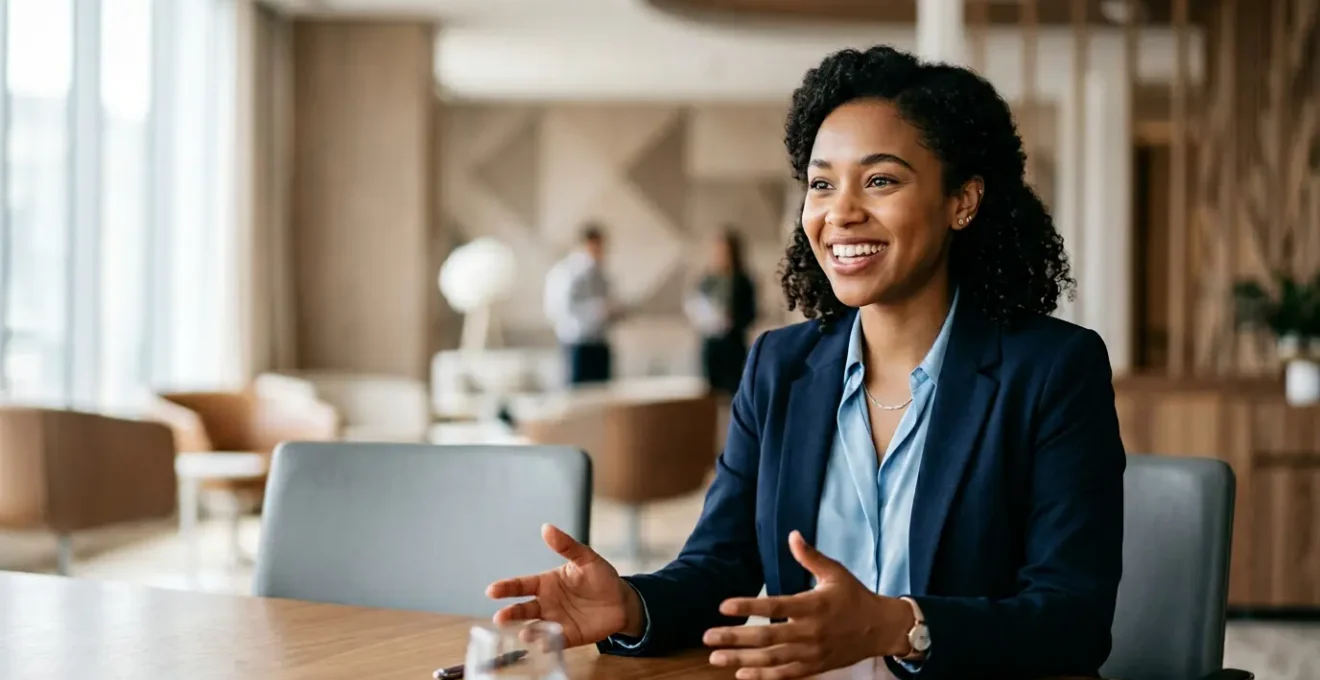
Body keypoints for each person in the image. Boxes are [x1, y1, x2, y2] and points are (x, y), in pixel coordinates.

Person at [491, 45, 1125, 680]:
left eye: (880, 180)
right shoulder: (779, 366)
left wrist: (899, 626)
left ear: (962, 200)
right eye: (822, 183)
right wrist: (632, 604)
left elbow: (1073, 618)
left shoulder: (1053, 370)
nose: (841, 212)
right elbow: (723, 564)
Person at [543, 225, 620, 385]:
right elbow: (561, 309)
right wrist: (597, 310)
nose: (600, 250)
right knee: (579, 396)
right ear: (587, 244)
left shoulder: (602, 274)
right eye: (596, 245)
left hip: (599, 342)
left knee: (603, 395)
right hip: (577, 343)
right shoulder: (567, 272)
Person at [685, 228, 758, 395]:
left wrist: (732, 318)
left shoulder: (743, 281)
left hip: (733, 345)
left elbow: (751, 314)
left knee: (735, 391)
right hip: (711, 344)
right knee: (710, 393)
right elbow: (695, 308)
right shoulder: (706, 280)